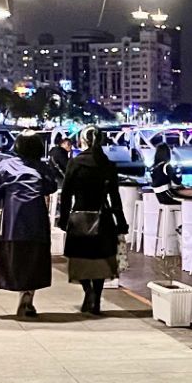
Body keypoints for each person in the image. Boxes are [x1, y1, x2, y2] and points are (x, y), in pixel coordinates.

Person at [0, 131, 57, 318]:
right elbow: (52, 186)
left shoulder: (5, 166)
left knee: (16, 260)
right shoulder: (42, 167)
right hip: (37, 220)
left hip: (12, 221)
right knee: (35, 260)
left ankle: (23, 292)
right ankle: (28, 295)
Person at [58, 127, 129, 316]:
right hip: (103, 217)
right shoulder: (108, 165)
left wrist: (63, 218)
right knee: (100, 261)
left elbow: (66, 194)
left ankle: (87, 291)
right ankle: (96, 297)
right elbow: (115, 197)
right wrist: (121, 221)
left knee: (80, 260)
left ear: (83, 141)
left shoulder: (75, 163)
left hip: (79, 216)